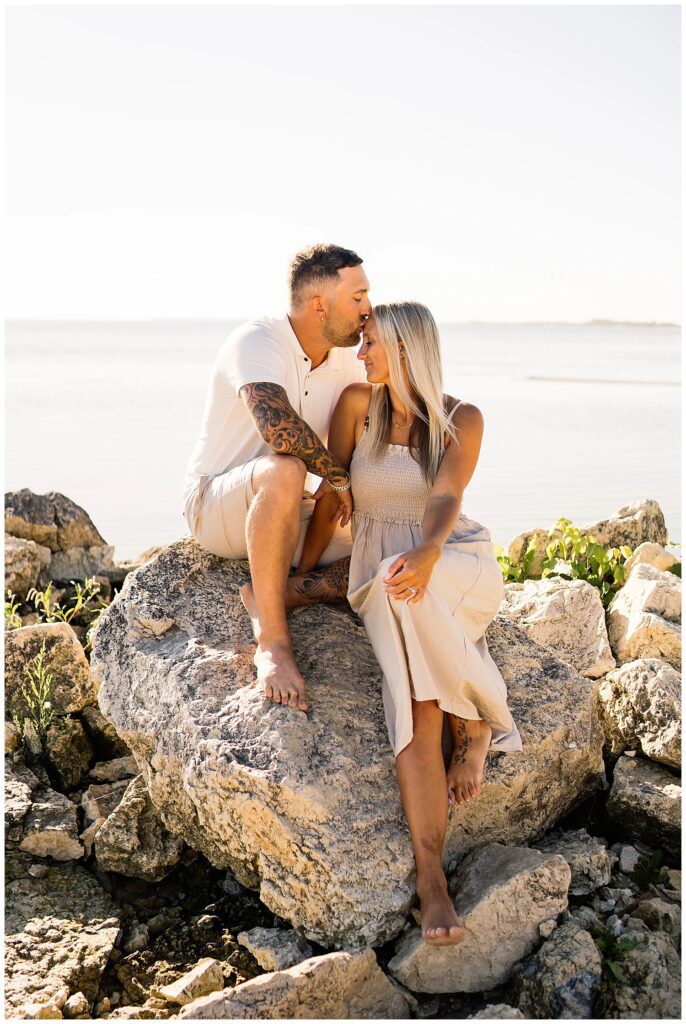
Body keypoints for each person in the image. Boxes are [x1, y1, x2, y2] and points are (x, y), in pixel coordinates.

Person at [248, 301, 523, 945]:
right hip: (382, 572)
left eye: (370, 341)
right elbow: (334, 495)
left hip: (450, 560)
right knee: (372, 612)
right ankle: (472, 723)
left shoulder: (462, 418)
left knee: (413, 685)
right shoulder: (356, 406)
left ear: (405, 349)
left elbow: (447, 495)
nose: (360, 351)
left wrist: (428, 552)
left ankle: (434, 875)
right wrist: (300, 575)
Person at [182, 244, 370, 712]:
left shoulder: (348, 362)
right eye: (358, 297)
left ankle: (279, 593)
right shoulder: (258, 341)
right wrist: (337, 477)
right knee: (286, 467)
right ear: (319, 306)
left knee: (389, 547)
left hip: (290, 513)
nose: (368, 309)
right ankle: (272, 642)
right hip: (217, 504)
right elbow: (277, 428)